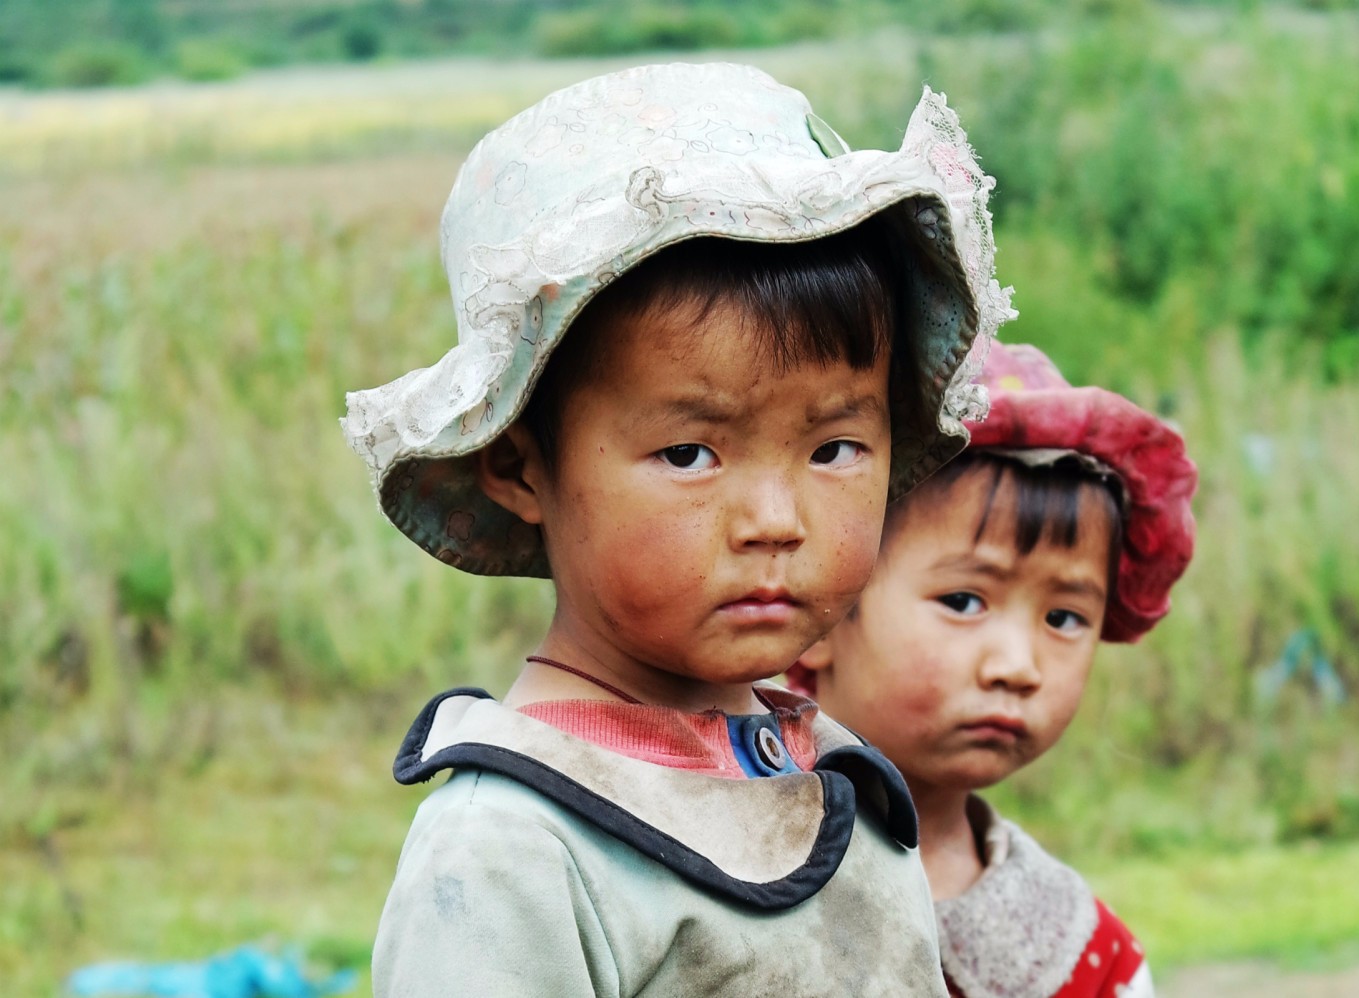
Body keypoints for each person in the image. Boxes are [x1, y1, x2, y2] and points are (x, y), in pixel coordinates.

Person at [339, 62, 1013, 996]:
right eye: (690, 454)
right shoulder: (513, 850)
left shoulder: (833, 774)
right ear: (521, 466)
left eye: (833, 448)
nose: (775, 521)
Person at [791, 343, 1197, 998]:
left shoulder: (1092, 960)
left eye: (1064, 617)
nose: (1017, 666)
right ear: (822, 613)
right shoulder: (701, 861)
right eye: (963, 601)